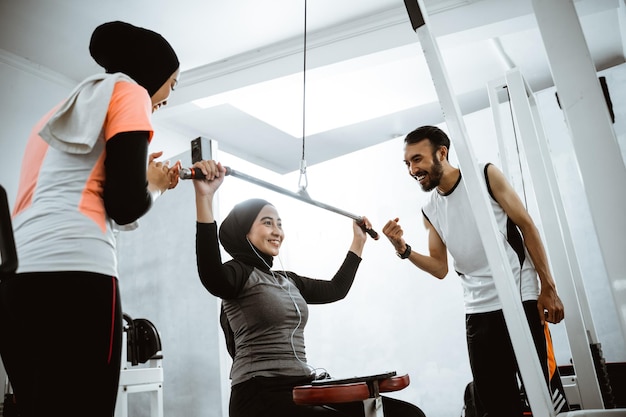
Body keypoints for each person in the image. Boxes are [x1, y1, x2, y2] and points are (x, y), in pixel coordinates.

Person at [0, 21, 181, 417]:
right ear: (152, 72)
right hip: (78, 278)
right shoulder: (130, 92)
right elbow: (125, 204)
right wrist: (153, 185)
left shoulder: (55, 115)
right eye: (173, 81)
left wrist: (136, 173)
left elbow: (79, 187)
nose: (169, 95)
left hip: (16, 284)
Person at [192, 159, 427, 417]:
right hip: (260, 394)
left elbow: (336, 289)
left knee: (407, 414)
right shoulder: (239, 274)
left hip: (302, 386)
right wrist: (204, 198)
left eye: (280, 223)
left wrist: (358, 241)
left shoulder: (287, 280)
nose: (277, 231)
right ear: (244, 232)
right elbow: (211, 276)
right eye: (267, 222)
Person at [382, 125, 565, 417]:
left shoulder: (484, 175)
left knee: (542, 396)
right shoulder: (431, 209)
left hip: (520, 297)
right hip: (478, 311)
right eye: (407, 163)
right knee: (495, 405)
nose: (412, 170)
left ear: (442, 152)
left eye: (417, 159)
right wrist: (402, 248)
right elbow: (440, 267)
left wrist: (548, 287)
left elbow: (527, 226)